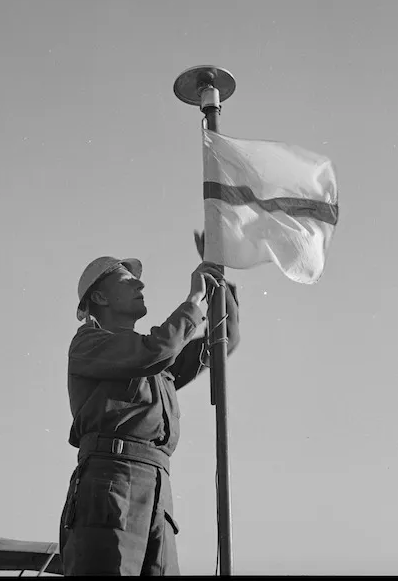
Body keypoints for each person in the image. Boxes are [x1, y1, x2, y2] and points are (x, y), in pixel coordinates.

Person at [59, 237, 240, 575]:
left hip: (156, 487)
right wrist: (192, 302)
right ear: (99, 297)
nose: (140, 283)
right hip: (111, 480)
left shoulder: (157, 360)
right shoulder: (89, 344)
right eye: (127, 280)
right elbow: (154, 351)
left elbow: (224, 339)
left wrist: (218, 289)